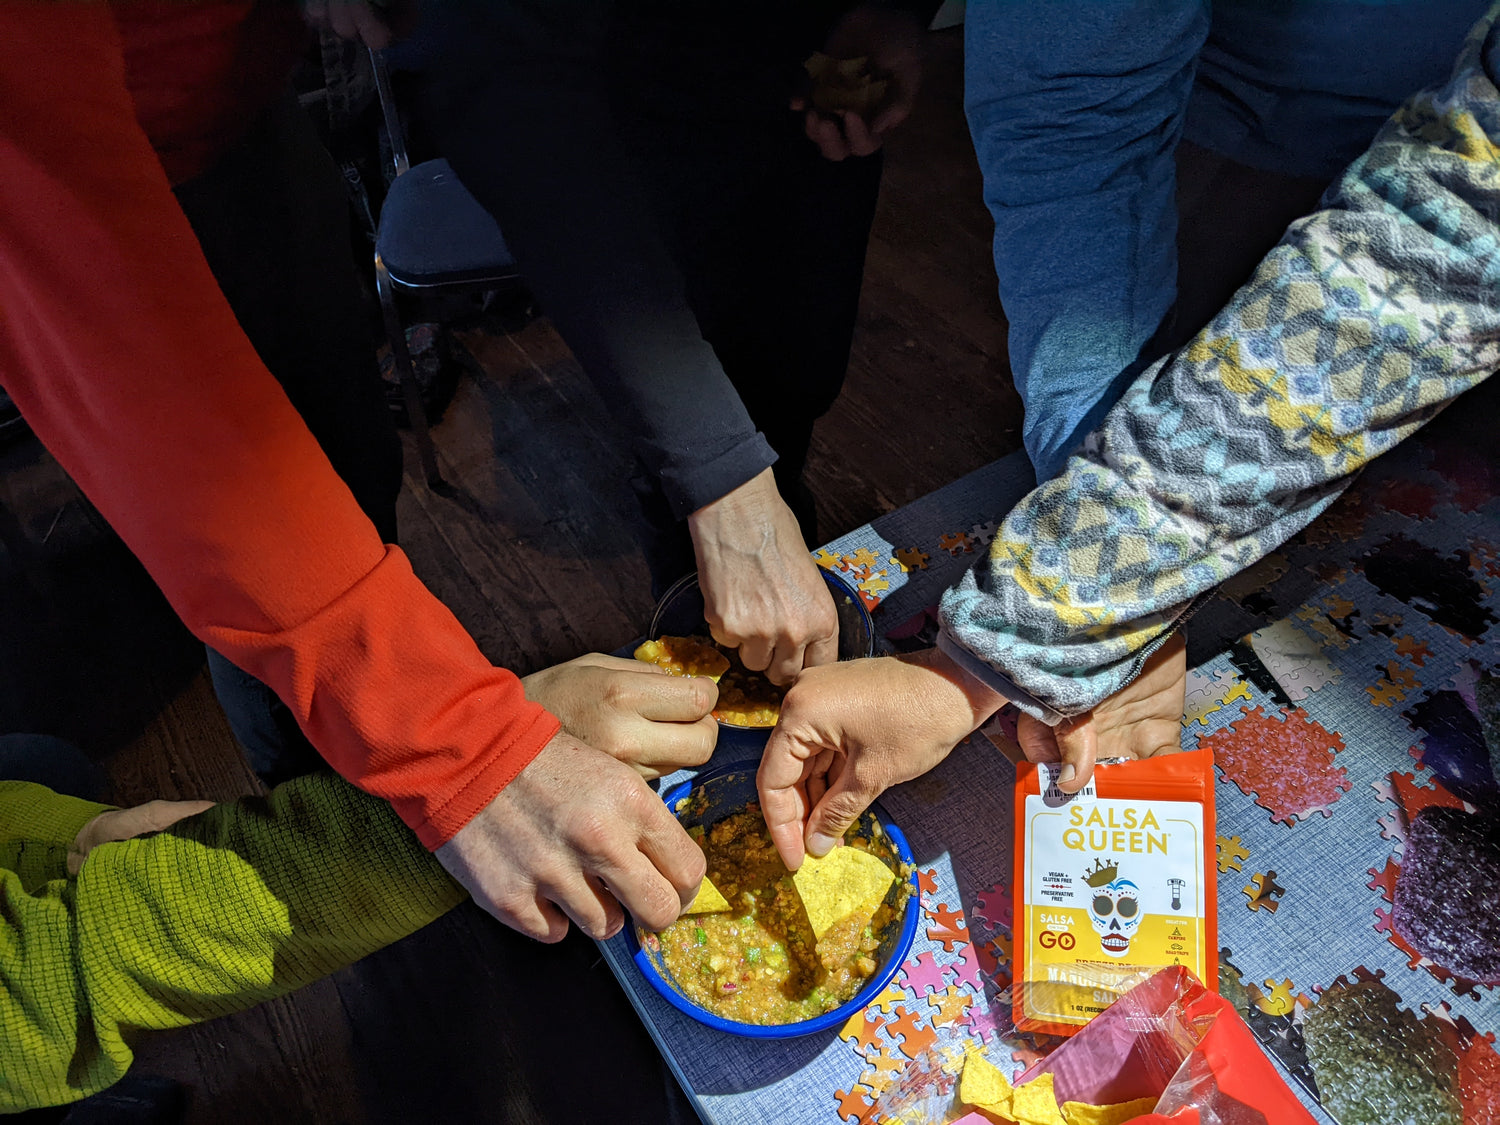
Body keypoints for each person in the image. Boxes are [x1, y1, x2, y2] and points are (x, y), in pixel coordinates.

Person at [0, 2, 715, 945]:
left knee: (351, 466)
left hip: (240, 122)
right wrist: (455, 747)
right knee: (288, 664)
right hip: (99, 168)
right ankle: (334, 821)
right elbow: (128, 362)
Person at [758, 2, 1500, 869]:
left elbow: (1440, 250)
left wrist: (1033, 637)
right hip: (1216, 113)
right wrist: (1102, 588)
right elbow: (1070, 110)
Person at [382, 0, 934, 685]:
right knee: (681, 471)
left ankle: (770, 575)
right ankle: (703, 639)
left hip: (804, 107)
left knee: (798, 378)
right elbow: (509, 104)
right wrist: (722, 484)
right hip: (627, 123)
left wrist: (894, 7)